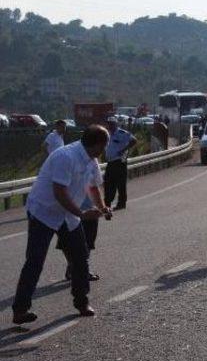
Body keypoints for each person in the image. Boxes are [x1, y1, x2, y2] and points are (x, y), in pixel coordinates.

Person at [12, 125, 112, 324]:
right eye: (104, 145)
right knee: (35, 260)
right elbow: (59, 192)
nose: (104, 150)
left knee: (80, 257)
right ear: (97, 144)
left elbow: (92, 186)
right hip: (44, 212)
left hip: (68, 214)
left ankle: (82, 302)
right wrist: (82, 214)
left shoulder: (91, 160)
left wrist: (101, 207)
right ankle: (20, 310)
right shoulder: (65, 157)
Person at [104, 117, 137, 210]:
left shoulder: (121, 133)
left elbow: (134, 140)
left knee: (120, 184)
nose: (109, 125)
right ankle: (107, 204)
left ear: (115, 124)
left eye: (111, 124)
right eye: (108, 124)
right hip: (110, 162)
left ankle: (121, 203)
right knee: (108, 183)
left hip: (119, 162)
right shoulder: (107, 134)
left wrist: (124, 150)